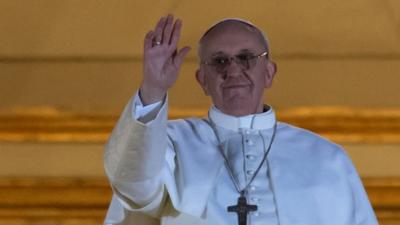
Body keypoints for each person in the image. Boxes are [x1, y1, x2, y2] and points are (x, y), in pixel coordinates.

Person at [103, 15, 378, 225]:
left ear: (269, 73)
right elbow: (135, 188)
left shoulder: (327, 159)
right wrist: (153, 89)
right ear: (202, 80)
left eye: (247, 58)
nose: (233, 70)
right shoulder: (170, 143)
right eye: (219, 61)